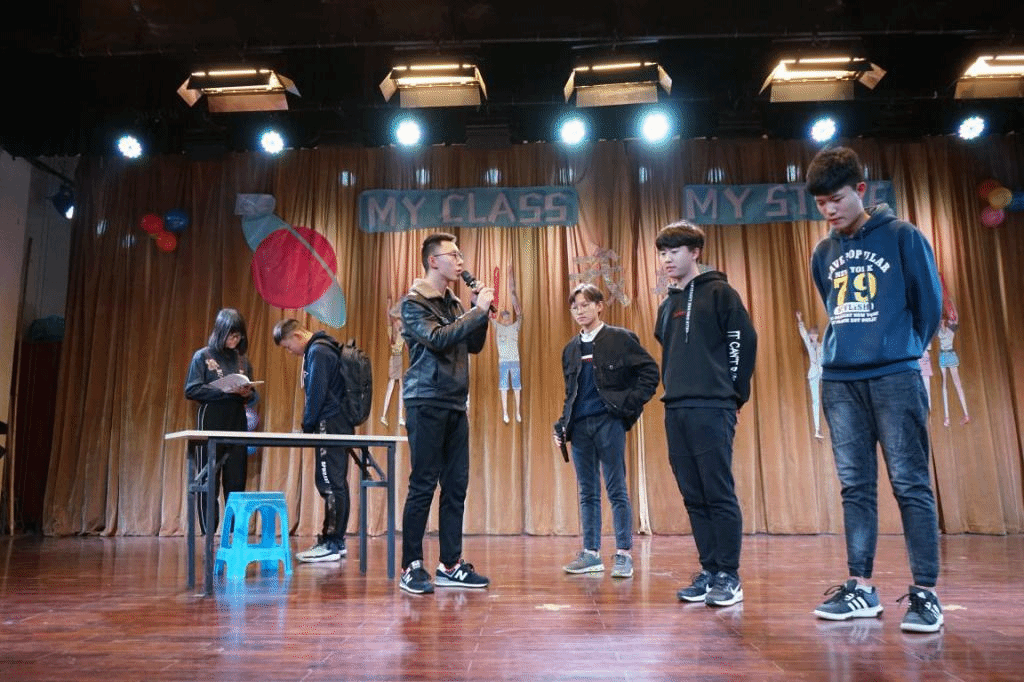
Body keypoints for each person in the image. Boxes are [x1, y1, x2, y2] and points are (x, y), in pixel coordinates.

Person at [805, 146, 944, 633]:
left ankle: (925, 593)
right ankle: (860, 587)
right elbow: (831, 305)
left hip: (895, 377)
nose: (830, 210)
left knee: (910, 483)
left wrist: (902, 349)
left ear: (861, 190)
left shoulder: (903, 235)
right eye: (821, 203)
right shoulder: (822, 253)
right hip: (840, 381)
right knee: (855, 486)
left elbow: (928, 304)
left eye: (837, 199)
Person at [654, 221, 757, 608]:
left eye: (674, 251)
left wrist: (733, 395)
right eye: (662, 253)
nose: (667, 259)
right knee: (693, 495)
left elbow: (742, 342)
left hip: (713, 406)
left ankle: (729, 575)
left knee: (717, 492)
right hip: (676, 407)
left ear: (695, 252)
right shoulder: (667, 305)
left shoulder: (720, 293)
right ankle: (710, 570)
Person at [398, 232, 494, 594]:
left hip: (455, 402)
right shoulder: (414, 302)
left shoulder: (454, 303)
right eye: (453, 255)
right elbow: (437, 339)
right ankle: (411, 566)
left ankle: (450, 564)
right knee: (423, 484)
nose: (460, 261)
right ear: (433, 261)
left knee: (456, 486)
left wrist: (479, 313)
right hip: (425, 400)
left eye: (460, 255)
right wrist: (476, 312)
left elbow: (474, 345)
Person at [553, 284, 659, 579]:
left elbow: (650, 373)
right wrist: (562, 424)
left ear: (600, 306)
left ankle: (624, 554)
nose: (580, 311)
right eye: (575, 307)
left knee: (616, 489)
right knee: (587, 492)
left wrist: (626, 406)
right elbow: (571, 394)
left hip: (608, 423)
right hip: (580, 428)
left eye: (585, 304)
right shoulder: (570, 349)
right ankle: (591, 553)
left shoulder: (620, 338)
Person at [273, 318, 351, 563]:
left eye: (288, 347)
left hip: (330, 423)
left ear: (297, 336)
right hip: (337, 422)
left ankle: (332, 542)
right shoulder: (323, 348)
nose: (290, 352)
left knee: (330, 483)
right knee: (334, 482)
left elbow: (316, 393)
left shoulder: (318, 351)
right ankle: (334, 540)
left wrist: (307, 425)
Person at [184, 308, 258, 534]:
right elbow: (191, 389)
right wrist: (224, 391)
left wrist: (248, 393)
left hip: (237, 422)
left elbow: (252, 394)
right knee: (208, 479)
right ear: (220, 332)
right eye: (231, 335)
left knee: (236, 480)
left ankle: (233, 534)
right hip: (211, 421)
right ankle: (209, 533)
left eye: (238, 336)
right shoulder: (202, 356)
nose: (235, 340)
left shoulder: (242, 361)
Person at [493, 265, 523, 424]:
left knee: (517, 387)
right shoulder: (498, 327)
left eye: (508, 317)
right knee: (503, 387)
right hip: (503, 361)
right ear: (501, 319)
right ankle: (505, 413)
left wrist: (512, 290)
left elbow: (519, 313)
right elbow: (489, 315)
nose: (507, 320)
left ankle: (517, 412)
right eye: (504, 318)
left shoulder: (515, 326)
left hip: (515, 360)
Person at [796, 311, 825, 439]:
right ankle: (817, 429)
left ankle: (821, 427)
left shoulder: (821, 346)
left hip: (822, 373)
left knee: (826, 399)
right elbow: (803, 334)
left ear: (817, 335)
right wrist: (800, 320)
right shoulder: (809, 344)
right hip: (813, 374)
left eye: (815, 334)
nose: (813, 336)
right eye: (811, 334)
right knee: (815, 401)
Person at [937, 316, 970, 427]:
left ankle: (957, 415)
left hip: (947, 355)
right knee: (949, 384)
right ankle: (949, 416)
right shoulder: (946, 329)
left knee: (952, 384)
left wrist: (949, 318)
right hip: (946, 355)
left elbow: (954, 320)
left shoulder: (949, 329)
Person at [379, 296, 406, 427]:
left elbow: (388, 318)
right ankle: (393, 416)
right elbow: (388, 318)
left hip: (396, 359)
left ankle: (388, 415)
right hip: (396, 359)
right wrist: (389, 306)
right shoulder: (398, 333)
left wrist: (389, 306)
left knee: (395, 386)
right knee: (397, 387)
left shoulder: (394, 333)